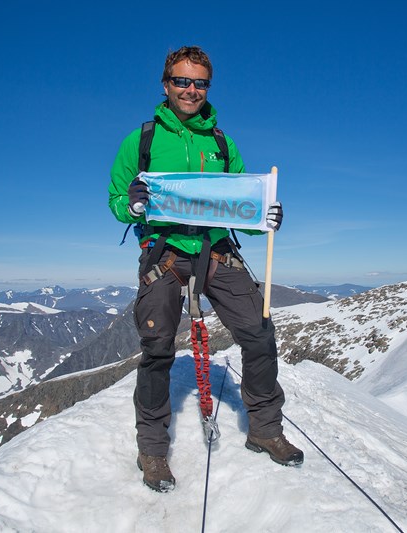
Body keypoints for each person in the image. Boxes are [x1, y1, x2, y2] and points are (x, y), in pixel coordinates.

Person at [108, 45, 303, 493]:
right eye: (182, 81)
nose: (191, 90)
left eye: (199, 83)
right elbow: (118, 199)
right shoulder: (142, 140)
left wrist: (265, 218)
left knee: (258, 334)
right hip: (166, 254)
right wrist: (134, 204)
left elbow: (242, 210)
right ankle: (153, 450)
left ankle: (265, 430)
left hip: (215, 251)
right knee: (157, 348)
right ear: (166, 85)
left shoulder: (222, 144)